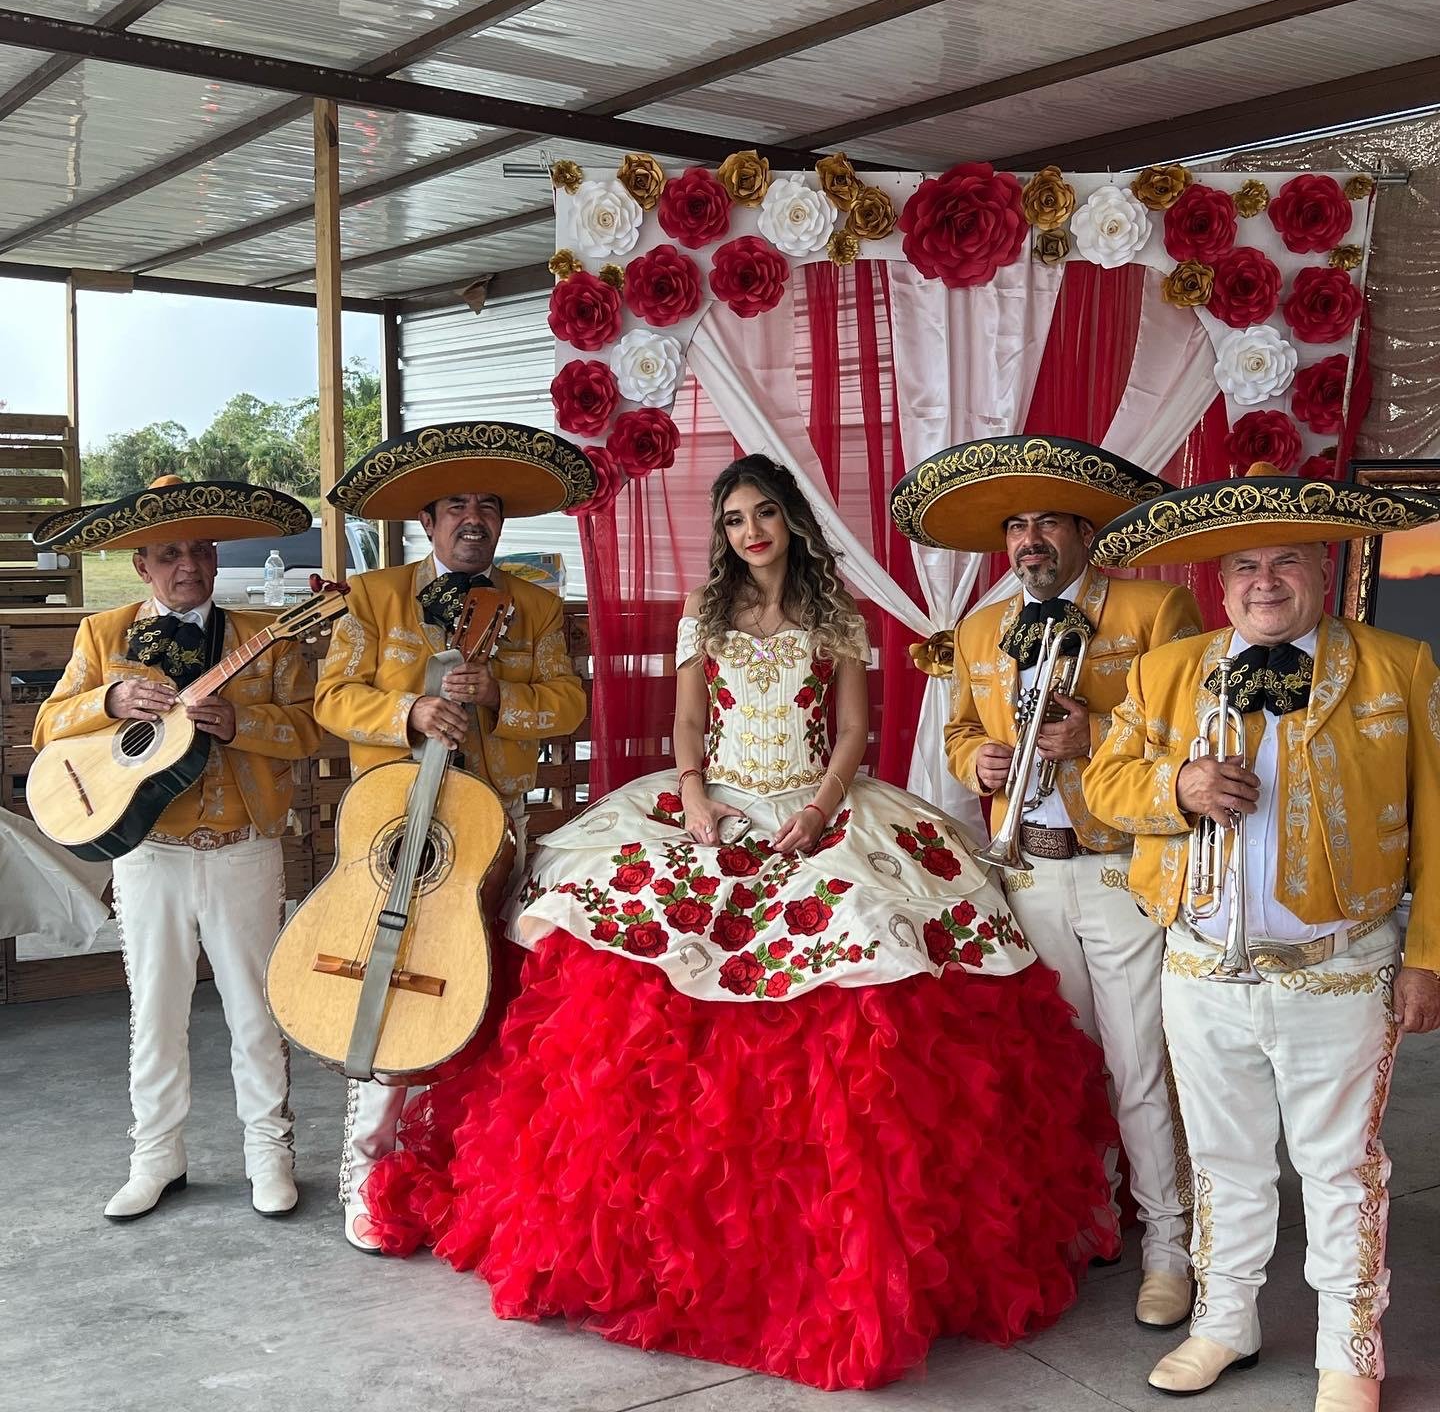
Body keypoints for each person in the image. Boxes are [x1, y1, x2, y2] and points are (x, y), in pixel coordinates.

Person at [357, 453, 1119, 1392]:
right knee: (624, 946)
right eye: (732, 520)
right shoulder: (705, 611)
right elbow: (687, 724)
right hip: (713, 803)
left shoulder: (835, 612)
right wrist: (693, 797)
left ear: (791, 519)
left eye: (762, 514)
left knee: (874, 947)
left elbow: (852, 732)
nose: (749, 532)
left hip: (818, 806)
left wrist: (819, 809)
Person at [1083, 461, 1440, 1410]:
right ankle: (1223, 1324)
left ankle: (1349, 1351)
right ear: (1220, 579)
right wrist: (1177, 788)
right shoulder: (1167, 669)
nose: (1265, 582)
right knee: (1223, 1160)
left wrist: (1428, 956)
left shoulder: (1397, 666)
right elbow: (1104, 784)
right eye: (1245, 565)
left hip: (1341, 967)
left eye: (1286, 562)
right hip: (1200, 967)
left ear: (1323, 568)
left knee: (1341, 1171)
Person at [890, 434, 1202, 1329]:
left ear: (1085, 533)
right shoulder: (979, 629)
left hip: (1118, 866)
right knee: (1063, 1060)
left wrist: (1096, 737)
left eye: (1049, 523)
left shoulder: (1154, 609)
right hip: (1024, 869)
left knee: (1139, 1064)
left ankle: (1169, 1241)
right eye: (1016, 526)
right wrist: (977, 760)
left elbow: (1191, 736)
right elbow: (958, 730)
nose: (1029, 541)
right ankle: (1090, 1213)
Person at [314, 421, 590, 1251]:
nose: (475, 519)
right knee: (389, 988)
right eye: (457, 506)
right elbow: (332, 698)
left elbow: (568, 705)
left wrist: (501, 699)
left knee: (485, 993)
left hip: (492, 829)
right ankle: (367, 1177)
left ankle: (468, 1173)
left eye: (489, 507)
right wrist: (410, 711)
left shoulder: (537, 608)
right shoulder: (372, 597)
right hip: (393, 833)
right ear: (427, 522)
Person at [31, 475, 320, 1221]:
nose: (187, 566)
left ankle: (269, 1153)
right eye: (168, 554)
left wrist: (242, 725)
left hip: (241, 844)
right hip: (147, 848)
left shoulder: (265, 634)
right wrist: (109, 701)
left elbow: (310, 730)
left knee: (255, 1011)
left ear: (217, 556)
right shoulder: (103, 634)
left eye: (199, 550)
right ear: (141, 566)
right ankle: (156, 1156)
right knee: (154, 1010)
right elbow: (49, 725)